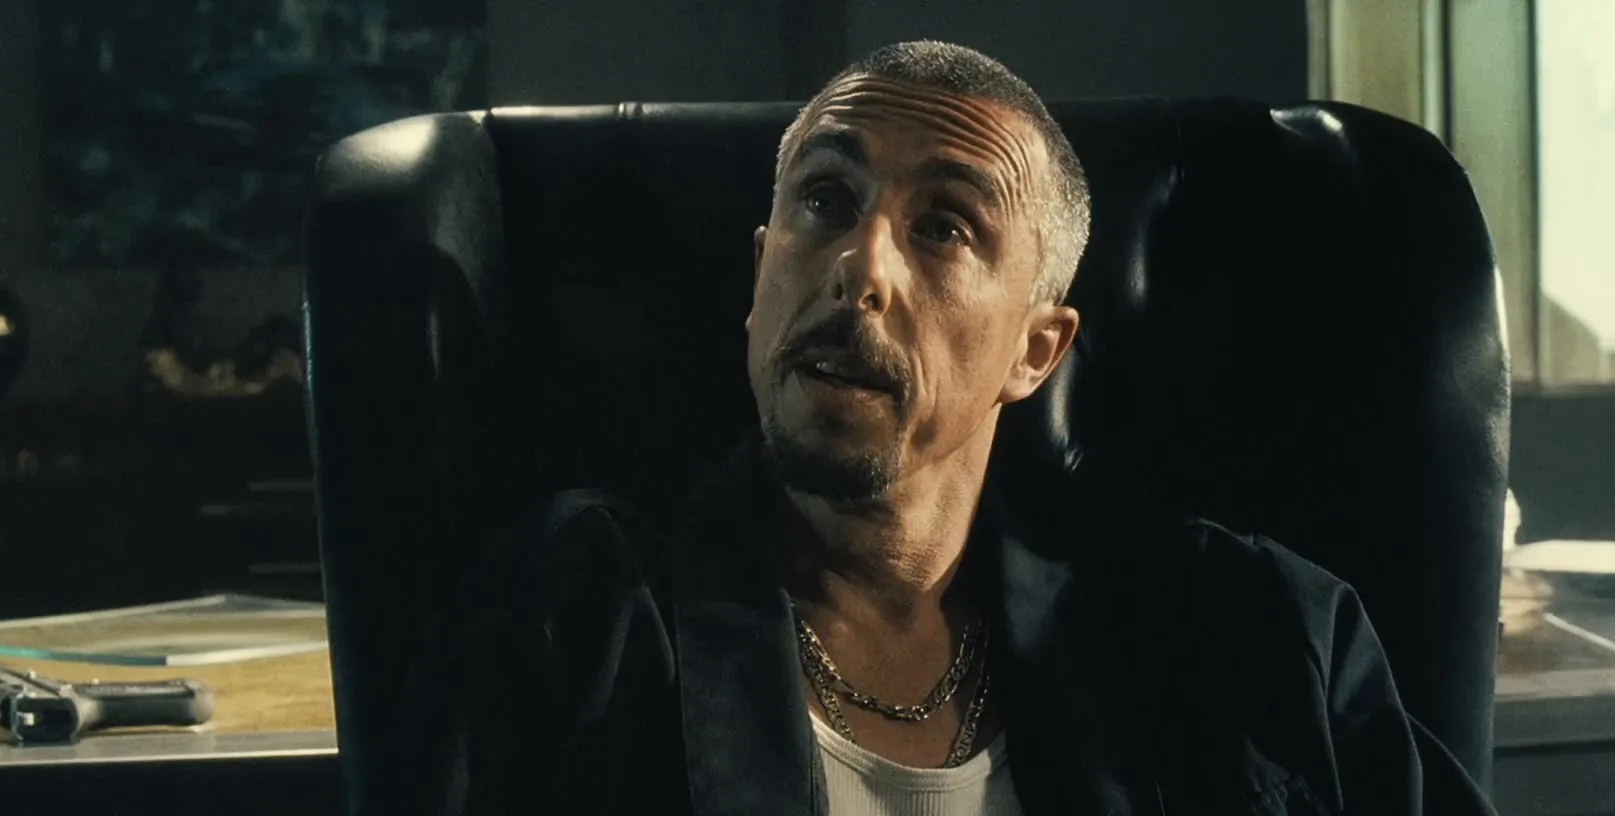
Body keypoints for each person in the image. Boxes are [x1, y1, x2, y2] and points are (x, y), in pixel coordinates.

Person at [394, 41, 1498, 816]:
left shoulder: (1253, 635)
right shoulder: (577, 623)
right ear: (760, 277)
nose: (859, 269)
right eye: (824, 201)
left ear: (1036, 351)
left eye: (944, 227)